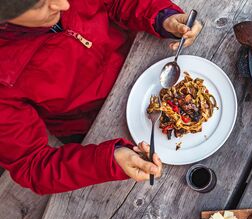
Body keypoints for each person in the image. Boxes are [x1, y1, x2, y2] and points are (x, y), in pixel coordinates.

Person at [0, 0, 202, 195]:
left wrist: (162, 17)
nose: (64, 5)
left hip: (142, 59)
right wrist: (107, 161)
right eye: (39, 5)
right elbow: (32, 165)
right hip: (97, 127)